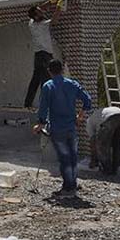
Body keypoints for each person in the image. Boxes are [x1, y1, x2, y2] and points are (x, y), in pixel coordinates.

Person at [32, 59, 92, 197]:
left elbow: (43, 108)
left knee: (65, 158)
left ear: (49, 71)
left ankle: (68, 188)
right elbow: (87, 100)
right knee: (72, 157)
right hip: (71, 127)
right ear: (62, 70)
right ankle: (73, 184)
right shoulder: (72, 84)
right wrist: (80, 116)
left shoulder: (48, 86)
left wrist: (40, 124)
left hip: (57, 129)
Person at [23, 0, 64, 108]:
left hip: (38, 56)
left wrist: (50, 2)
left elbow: (39, 9)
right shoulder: (43, 25)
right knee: (46, 80)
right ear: (36, 16)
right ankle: (45, 105)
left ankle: (27, 103)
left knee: (35, 80)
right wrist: (59, 6)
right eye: (40, 12)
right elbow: (54, 20)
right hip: (45, 56)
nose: (42, 11)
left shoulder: (31, 23)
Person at [86, 107, 120, 175]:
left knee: (102, 146)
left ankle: (106, 169)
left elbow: (93, 142)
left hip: (109, 118)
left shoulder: (89, 122)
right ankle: (115, 168)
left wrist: (94, 160)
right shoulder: (97, 114)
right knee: (116, 145)